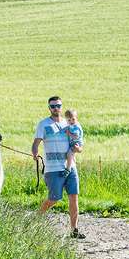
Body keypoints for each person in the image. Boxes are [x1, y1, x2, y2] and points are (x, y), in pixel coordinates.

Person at [32, 95, 84, 239]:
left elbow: (79, 146)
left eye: (58, 106)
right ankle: (36, 218)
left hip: (70, 167)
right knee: (54, 199)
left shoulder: (70, 124)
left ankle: (74, 230)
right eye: (53, 106)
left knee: (74, 198)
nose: (56, 108)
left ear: (61, 107)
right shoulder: (43, 124)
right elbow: (36, 142)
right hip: (52, 168)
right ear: (49, 108)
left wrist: (78, 148)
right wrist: (35, 153)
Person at [63, 108, 84, 178]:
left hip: (76, 143)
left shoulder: (76, 127)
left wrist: (68, 133)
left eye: (73, 119)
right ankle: (72, 163)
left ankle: (68, 168)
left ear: (76, 119)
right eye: (69, 120)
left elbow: (76, 136)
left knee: (69, 153)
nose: (71, 121)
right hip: (73, 143)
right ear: (66, 120)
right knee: (71, 155)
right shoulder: (71, 125)